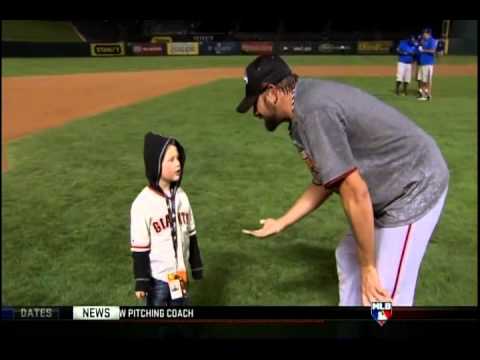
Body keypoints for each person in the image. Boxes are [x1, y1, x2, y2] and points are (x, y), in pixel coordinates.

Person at [237, 55, 449, 306]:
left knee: (384, 293)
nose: (255, 113)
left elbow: (355, 191)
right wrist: (281, 222)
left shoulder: (311, 113)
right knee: (349, 256)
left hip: (414, 188)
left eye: (255, 103)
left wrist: (369, 267)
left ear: (271, 93)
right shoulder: (303, 107)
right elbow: (325, 180)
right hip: (392, 185)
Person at [130, 132, 203, 306]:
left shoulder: (182, 197)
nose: (178, 163)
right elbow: (140, 249)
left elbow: (191, 235)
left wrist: (196, 266)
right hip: (158, 281)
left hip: (180, 276)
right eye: (171, 160)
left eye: (178, 158)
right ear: (156, 165)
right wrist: (141, 281)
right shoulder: (142, 203)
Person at [417, 28, 438, 101]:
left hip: (428, 63)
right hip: (423, 63)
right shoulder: (424, 40)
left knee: (426, 80)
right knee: (424, 80)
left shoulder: (432, 40)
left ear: (428, 33)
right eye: (423, 33)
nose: (423, 34)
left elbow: (433, 51)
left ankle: (426, 95)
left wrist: (423, 50)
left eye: (425, 33)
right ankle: (426, 95)